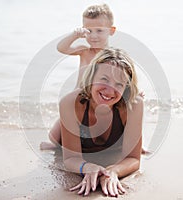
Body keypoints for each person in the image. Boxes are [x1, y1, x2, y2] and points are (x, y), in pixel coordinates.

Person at [59, 47, 143, 197]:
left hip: (114, 143)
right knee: (52, 140)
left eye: (119, 84)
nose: (110, 90)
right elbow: (71, 158)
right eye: (104, 79)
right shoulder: (69, 103)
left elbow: (133, 158)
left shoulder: (134, 105)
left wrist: (112, 171)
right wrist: (87, 167)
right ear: (91, 78)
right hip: (68, 131)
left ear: (126, 88)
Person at [40, 4, 116, 150]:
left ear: (111, 31)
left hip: (100, 102)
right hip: (78, 100)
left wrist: (134, 91)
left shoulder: (112, 56)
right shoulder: (85, 51)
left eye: (99, 30)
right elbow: (61, 48)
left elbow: (123, 76)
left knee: (110, 125)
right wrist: (74, 35)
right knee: (54, 137)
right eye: (89, 31)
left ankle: (135, 144)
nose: (93, 36)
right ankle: (59, 145)